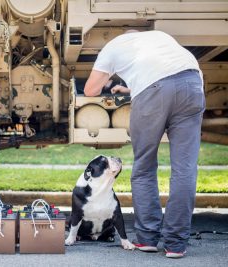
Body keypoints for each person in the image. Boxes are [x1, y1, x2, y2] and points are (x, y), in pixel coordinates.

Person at [84, 30, 205, 258]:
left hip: (153, 93)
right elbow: (171, 76)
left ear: (124, 36)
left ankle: (148, 238)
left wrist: (112, 80)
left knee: (144, 166)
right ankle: (176, 244)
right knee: (185, 170)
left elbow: (91, 89)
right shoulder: (161, 36)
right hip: (192, 85)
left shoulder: (113, 45)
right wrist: (132, 87)